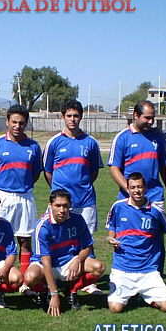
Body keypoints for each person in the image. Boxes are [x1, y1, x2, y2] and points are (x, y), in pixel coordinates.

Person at [108, 100, 166, 274]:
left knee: (157, 238)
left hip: (154, 197)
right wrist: (130, 191)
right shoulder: (122, 137)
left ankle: (156, 275)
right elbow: (114, 168)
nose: (151, 122)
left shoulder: (157, 137)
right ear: (136, 115)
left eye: (153, 118)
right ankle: (126, 275)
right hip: (128, 199)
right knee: (127, 238)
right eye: (147, 118)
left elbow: (164, 166)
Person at [43, 99, 104, 295]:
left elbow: (93, 172)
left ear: (81, 117)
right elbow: (48, 172)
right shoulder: (54, 142)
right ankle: (53, 274)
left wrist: (81, 186)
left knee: (86, 240)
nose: (72, 119)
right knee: (57, 238)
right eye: (69, 115)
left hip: (85, 200)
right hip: (61, 203)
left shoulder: (90, 142)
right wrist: (59, 193)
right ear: (62, 117)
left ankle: (84, 283)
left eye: (76, 116)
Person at [0, 104, 42, 295]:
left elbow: (35, 173)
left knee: (25, 240)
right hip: (3, 197)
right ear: (7, 122)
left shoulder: (33, 146)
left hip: (25, 197)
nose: (18, 126)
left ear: (26, 124)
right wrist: (1, 190)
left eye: (22, 123)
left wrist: (22, 186)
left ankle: (25, 282)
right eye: (14, 122)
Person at [24, 189, 105, 316]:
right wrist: (54, 294)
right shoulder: (43, 226)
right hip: (46, 263)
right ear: (50, 205)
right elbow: (46, 261)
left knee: (99, 268)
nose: (62, 210)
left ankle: (71, 290)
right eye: (58, 206)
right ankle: (44, 291)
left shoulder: (77, 219)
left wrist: (78, 260)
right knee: (30, 278)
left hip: (69, 260)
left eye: (65, 206)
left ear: (70, 205)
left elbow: (87, 246)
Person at [106, 172, 166, 313]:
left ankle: (144, 295)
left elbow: (164, 228)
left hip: (148, 270)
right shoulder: (118, 206)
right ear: (128, 189)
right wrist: (111, 238)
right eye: (133, 187)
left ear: (145, 187)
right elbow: (112, 227)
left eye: (140, 187)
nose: (137, 191)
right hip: (122, 268)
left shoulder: (156, 210)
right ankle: (128, 293)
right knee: (115, 308)